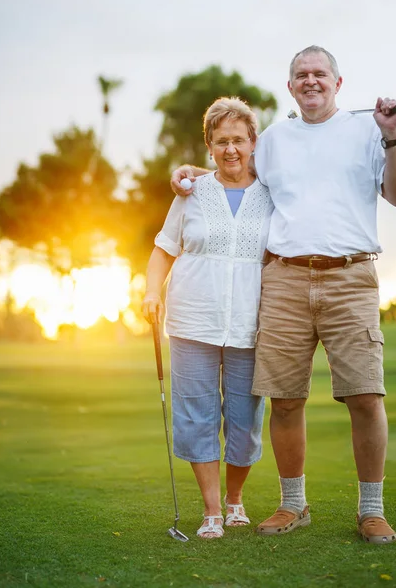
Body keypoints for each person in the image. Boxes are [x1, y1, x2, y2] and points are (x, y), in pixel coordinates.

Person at [171, 45, 396, 543]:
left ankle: (371, 509)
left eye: (319, 73)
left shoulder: (370, 130)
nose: (310, 81)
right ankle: (293, 504)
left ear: (337, 83)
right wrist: (191, 174)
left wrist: (392, 137)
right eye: (301, 74)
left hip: (351, 276)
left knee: (366, 396)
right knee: (284, 400)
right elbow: (231, 168)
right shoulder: (276, 140)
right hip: (282, 278)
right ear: (290, 87)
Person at [142, 97, 274, 539]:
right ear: (209, 147)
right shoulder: (192, 192)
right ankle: (212, 510)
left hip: (249, 325)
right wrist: (149, 292)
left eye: (239, 139)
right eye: (221, 141)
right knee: (196, 415)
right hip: (191, 320)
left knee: (244, 419)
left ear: (254, 142)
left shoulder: (272, 193)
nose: (231, 149)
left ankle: (236, 500)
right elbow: (163, 250)